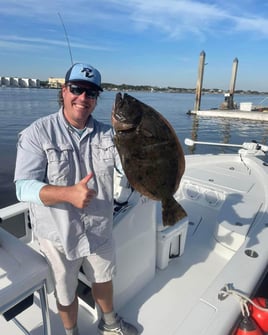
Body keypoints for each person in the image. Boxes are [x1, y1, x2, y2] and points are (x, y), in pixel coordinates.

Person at [14, 63, 138, 335]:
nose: (83, 98)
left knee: (103, 279)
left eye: (91, 93)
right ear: (64, 90)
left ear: (96, 99)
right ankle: (71, 333)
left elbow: (127, 167)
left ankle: (110, 324)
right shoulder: (38, 132)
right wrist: (67, 194)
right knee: (65, 291)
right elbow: (22, 188)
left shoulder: (110, 134)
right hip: (58, 234)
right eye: (77, 89)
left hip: (99, 228)